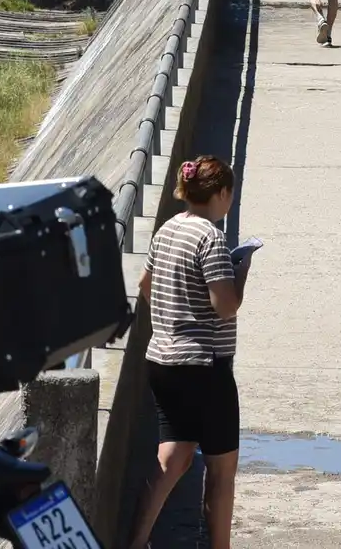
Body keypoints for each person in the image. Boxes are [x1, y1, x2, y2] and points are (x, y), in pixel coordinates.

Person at [129, 156, 250, 549]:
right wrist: (241, 272)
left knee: (172, 460)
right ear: (222, 193)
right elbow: (224, 305)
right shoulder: (210, 238)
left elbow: (146, 284)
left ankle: (135, 541)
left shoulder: (167, 229)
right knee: (220, 469)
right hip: (205, 366)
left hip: (162, 360)